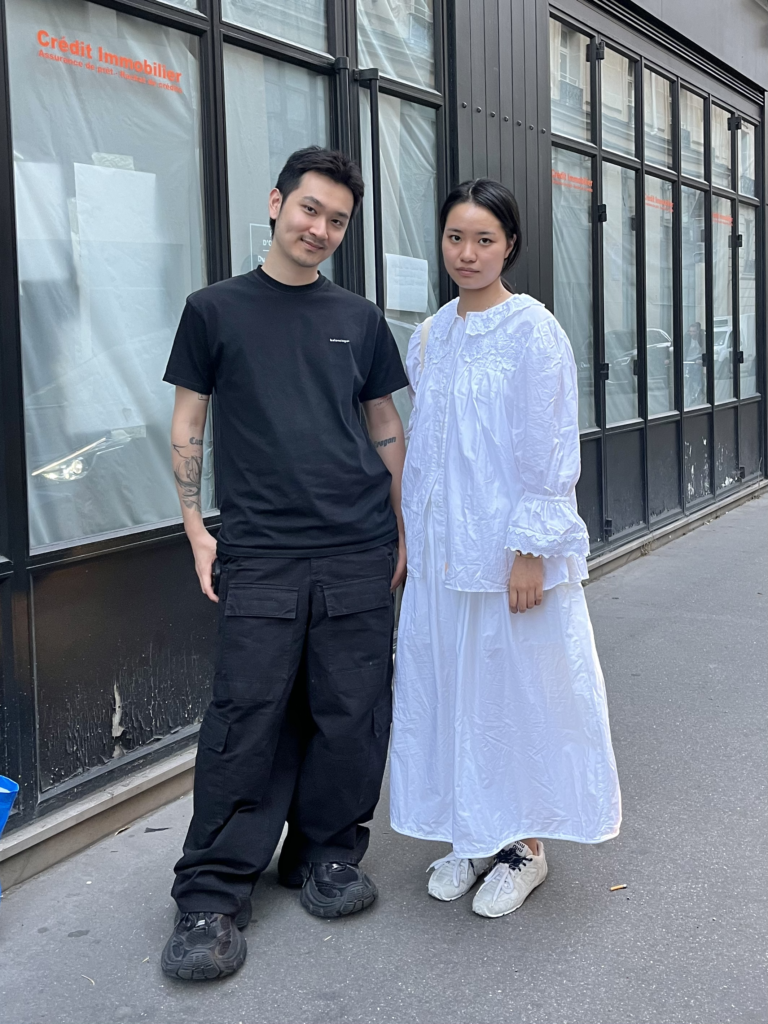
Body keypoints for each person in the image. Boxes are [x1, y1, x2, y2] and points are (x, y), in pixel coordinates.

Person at [160, 147, 409, 980]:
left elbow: (383, 426)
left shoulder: (361, 317)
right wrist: (195, 525)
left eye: (337, 220)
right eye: (309, 209)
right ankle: (210, 895)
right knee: (246, 716)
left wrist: (405, 529)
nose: (320, 229)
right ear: (274, 204)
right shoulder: (214, 310)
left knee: (352, 710)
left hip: (356, 543)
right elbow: (188, 423)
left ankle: (326, 856)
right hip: (261, 549)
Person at [390, 178, 621, 918]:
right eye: (456, 237)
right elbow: (428, 453)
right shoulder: (431, 335)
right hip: (441, 558)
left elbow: (548, 445)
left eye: (484, 239)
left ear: (509, 245)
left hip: (505, 556)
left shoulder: (533, 330)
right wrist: (412, 542)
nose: (468, 252)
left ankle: (524, 845)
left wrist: (530, 549)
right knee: (455, 690)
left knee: (514, 695)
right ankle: (471, 830)